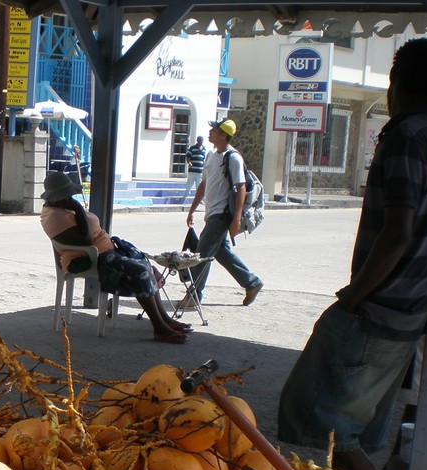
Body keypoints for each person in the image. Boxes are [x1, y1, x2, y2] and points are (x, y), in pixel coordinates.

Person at [277, 38, 427, 470]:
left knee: (315, 413)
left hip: (380, 307)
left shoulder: (406, 140)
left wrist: (355, 296)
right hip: (407, 307)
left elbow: (398, 232)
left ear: (395, 83)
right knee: (348, 416)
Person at [40, 172, 192, 344]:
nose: (71, 197)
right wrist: (78, 208)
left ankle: (165, 319)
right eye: (67, 195)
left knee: (146, 264)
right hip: (91, 258)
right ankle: (159, 327)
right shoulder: (55, 218)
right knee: (139, 272)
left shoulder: (62, 208)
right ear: (58, 197)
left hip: (105, 251)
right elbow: (86, 240)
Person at [185, 118, 263, 309]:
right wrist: (192, 209)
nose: (210, 132)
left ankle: (193, 296)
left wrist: (236, 219)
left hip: (222, 215)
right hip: (211, 213)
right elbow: (204, 185)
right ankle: (251, 283)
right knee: (222, 253)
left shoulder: (233, 157)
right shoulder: (211, 156)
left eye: (214, 130)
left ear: (223, 135)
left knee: (201, 254)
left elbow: (241, 188)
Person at [184, 135, 206, 201]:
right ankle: (186, 195)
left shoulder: (204, 149)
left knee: (199, 186)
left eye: (202, 141)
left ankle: (199, 199)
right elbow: (188, 157)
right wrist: (189, 162)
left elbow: (203, 159)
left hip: (200, 171)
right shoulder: (192, 148)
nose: (201, 142)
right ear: (197, 141)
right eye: (199, 141)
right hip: (192, 170)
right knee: (189, 183)